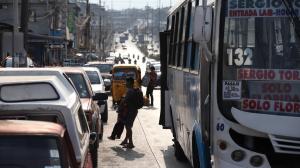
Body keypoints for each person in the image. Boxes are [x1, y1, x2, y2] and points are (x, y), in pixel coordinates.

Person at [119, 77, 139, 149]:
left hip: (131, 111)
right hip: (132, 111)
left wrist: (119, 108)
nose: (125, 83)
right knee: (128, 126)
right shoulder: (131, 90)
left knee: (128, 127)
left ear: (130, 83)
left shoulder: (130, 91)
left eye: (126, 82)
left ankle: (130, 143)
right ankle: (126, 140)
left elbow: (125, 101)